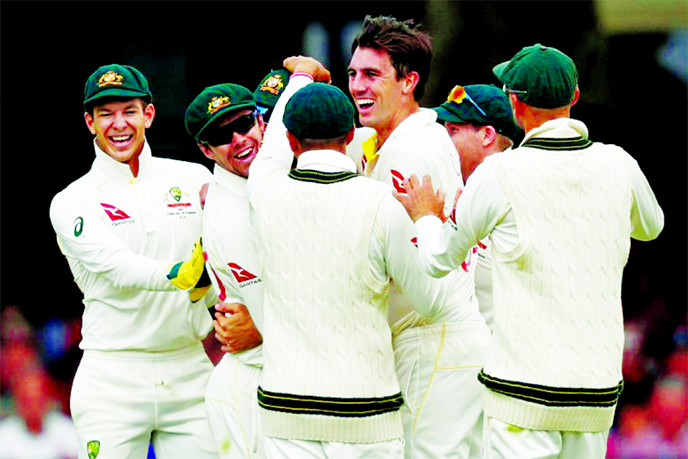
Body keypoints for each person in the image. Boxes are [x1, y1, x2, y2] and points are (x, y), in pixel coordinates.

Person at [396, 43, 665, 459]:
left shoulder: (499, 173)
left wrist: (425, 216)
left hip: (522, 392)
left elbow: (437, 260)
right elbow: (651, 227)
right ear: (574, 97)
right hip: (594, 389)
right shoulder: (618, 164)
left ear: (514, 101)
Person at [247, 76, 471, 458]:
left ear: (291, 141)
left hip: (286, 411)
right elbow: (431, 302)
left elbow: (268, 150)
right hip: (364, 414)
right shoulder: (382, 202)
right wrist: (427, 219)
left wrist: (299, 75)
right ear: (351, 134)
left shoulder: (263, 189)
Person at [49, 64, 219, 459]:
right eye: (106, 114)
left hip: (189, 368)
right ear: (90, 122)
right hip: (112, 376)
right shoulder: (72, 200)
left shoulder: (194, 179)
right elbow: (115, 265)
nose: (118, 124)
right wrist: (179, 275)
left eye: (128, 110)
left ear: (149, 114)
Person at [346, 15, 491, 459]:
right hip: (442, 340)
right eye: (353, 74)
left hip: (434, 339)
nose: (357, 86)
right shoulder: (404, 140)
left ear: (409, 81)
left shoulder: (408, 150)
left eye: (373, 74)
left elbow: (422, 281)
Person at [184, 58, 327, 459]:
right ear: (205, 149)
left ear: (261, 122)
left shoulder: (269, 171)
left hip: (280, 374)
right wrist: (260, 330)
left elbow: (284, 131)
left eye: (243, 124)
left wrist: (305, 77)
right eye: (221, 135)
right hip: (254, 384)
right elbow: (275, 319)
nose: (240, 139)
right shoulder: (231, 216)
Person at [433, 83, 521, 332]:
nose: (443, 140)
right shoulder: (467, 189)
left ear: (486, 135)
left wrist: (425, 218)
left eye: (453, 131)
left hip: (506, 358)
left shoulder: (514, 190)